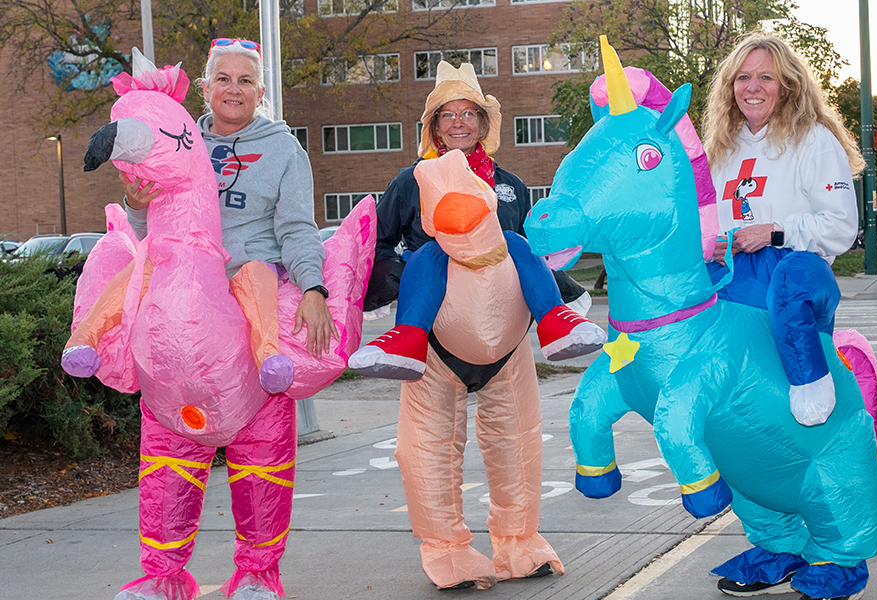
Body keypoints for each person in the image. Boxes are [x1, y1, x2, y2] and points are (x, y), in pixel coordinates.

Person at [117, 38, 332, 600]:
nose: (233, 89)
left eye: (244, 80)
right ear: (205, 86)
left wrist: (313, 287)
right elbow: (152, 233)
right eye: (222, 78)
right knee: (168, 448)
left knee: (261, 453)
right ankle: (162, 576)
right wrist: (137, 206)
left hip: (250, 309)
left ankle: (259, 573)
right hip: (180, 313)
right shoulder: (176, 137)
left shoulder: (283, 150)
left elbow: (297, 227)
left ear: (260, 91)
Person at [700, 31, 869, 598]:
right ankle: (777, 543)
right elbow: (704, 218)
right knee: (740, 423)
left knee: (805, 423)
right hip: (730, 286)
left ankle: (840, 552)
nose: (753, 87)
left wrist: (773, 230)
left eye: (766, 77)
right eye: (743, 77)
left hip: (789, 283)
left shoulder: (814, 140)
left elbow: (840, 227)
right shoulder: (720, 147)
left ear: (788, 85)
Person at [352, 61, 603, 379]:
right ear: (436, 127)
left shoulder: (510, 185)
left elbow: (530, 249)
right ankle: (408, 336)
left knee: (512, 242)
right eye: (448, 115)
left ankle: (554, 320)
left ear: (482, 125)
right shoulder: (411, 181)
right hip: (435, 335)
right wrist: (395, 278)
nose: (458, 123)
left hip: (507, 332)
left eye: (468, 113)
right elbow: (378, 241)